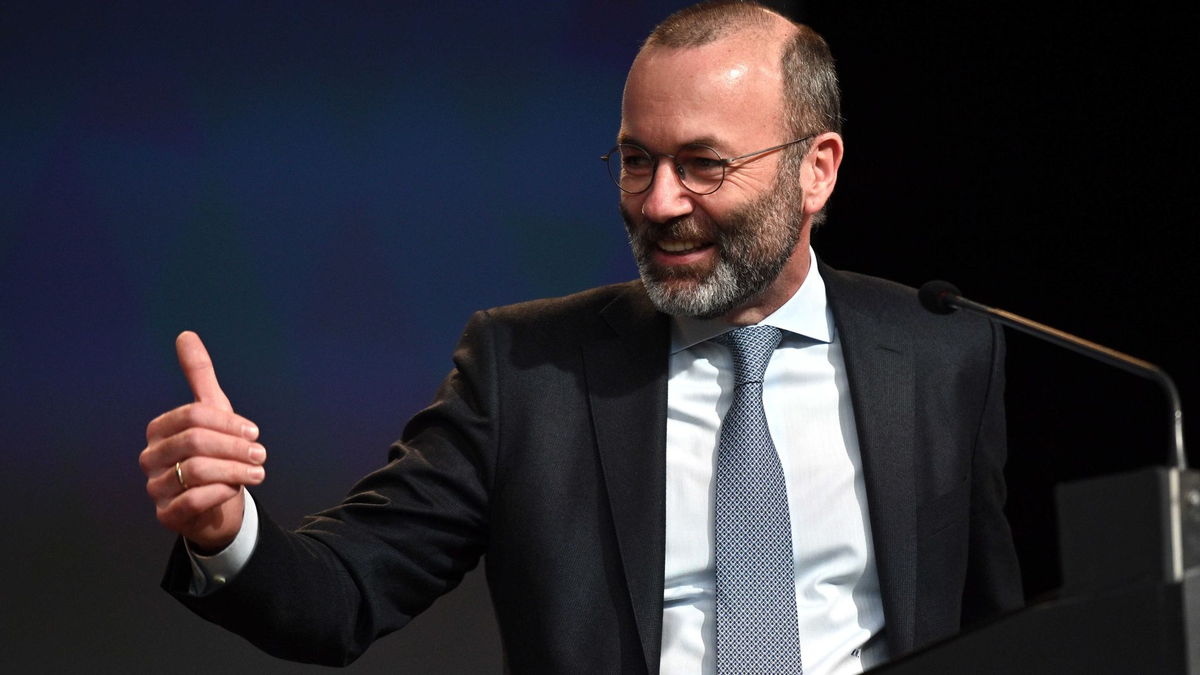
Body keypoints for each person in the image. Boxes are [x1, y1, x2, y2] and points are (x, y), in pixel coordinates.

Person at [141, 1, 1023, 673]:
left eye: (703, 164)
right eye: (637, 159)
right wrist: (228, 532)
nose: (659, 203)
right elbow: (343, 593)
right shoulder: (528, 372)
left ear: (816, 170)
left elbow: (1001, 627)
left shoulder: (944, 351)